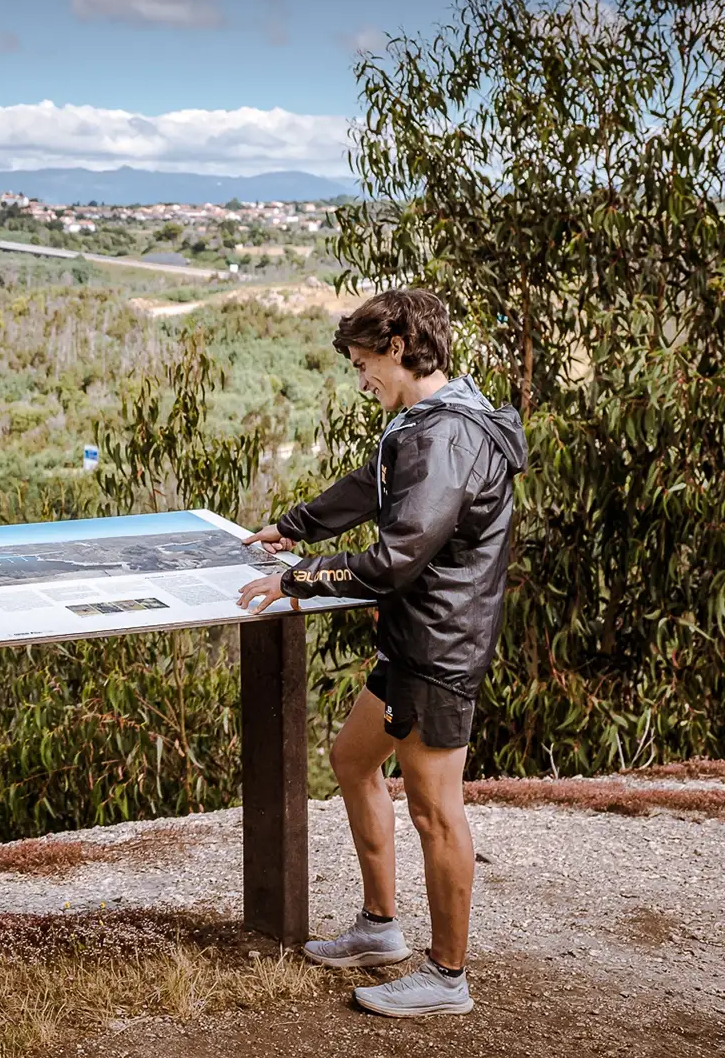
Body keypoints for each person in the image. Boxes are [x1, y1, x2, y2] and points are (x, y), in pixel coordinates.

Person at [234, 289, 526, 1018]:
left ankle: (447, 978)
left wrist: (296, 579)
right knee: (353, 761)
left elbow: (398, 555)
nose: (361, 379)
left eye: (364, 364)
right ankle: (379, 929)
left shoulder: (444, 437)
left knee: (435, 811)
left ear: (398, 348)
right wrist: (294, 527)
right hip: (414, 641)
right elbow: (378, 485)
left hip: (438, 650)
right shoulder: (431, 422)